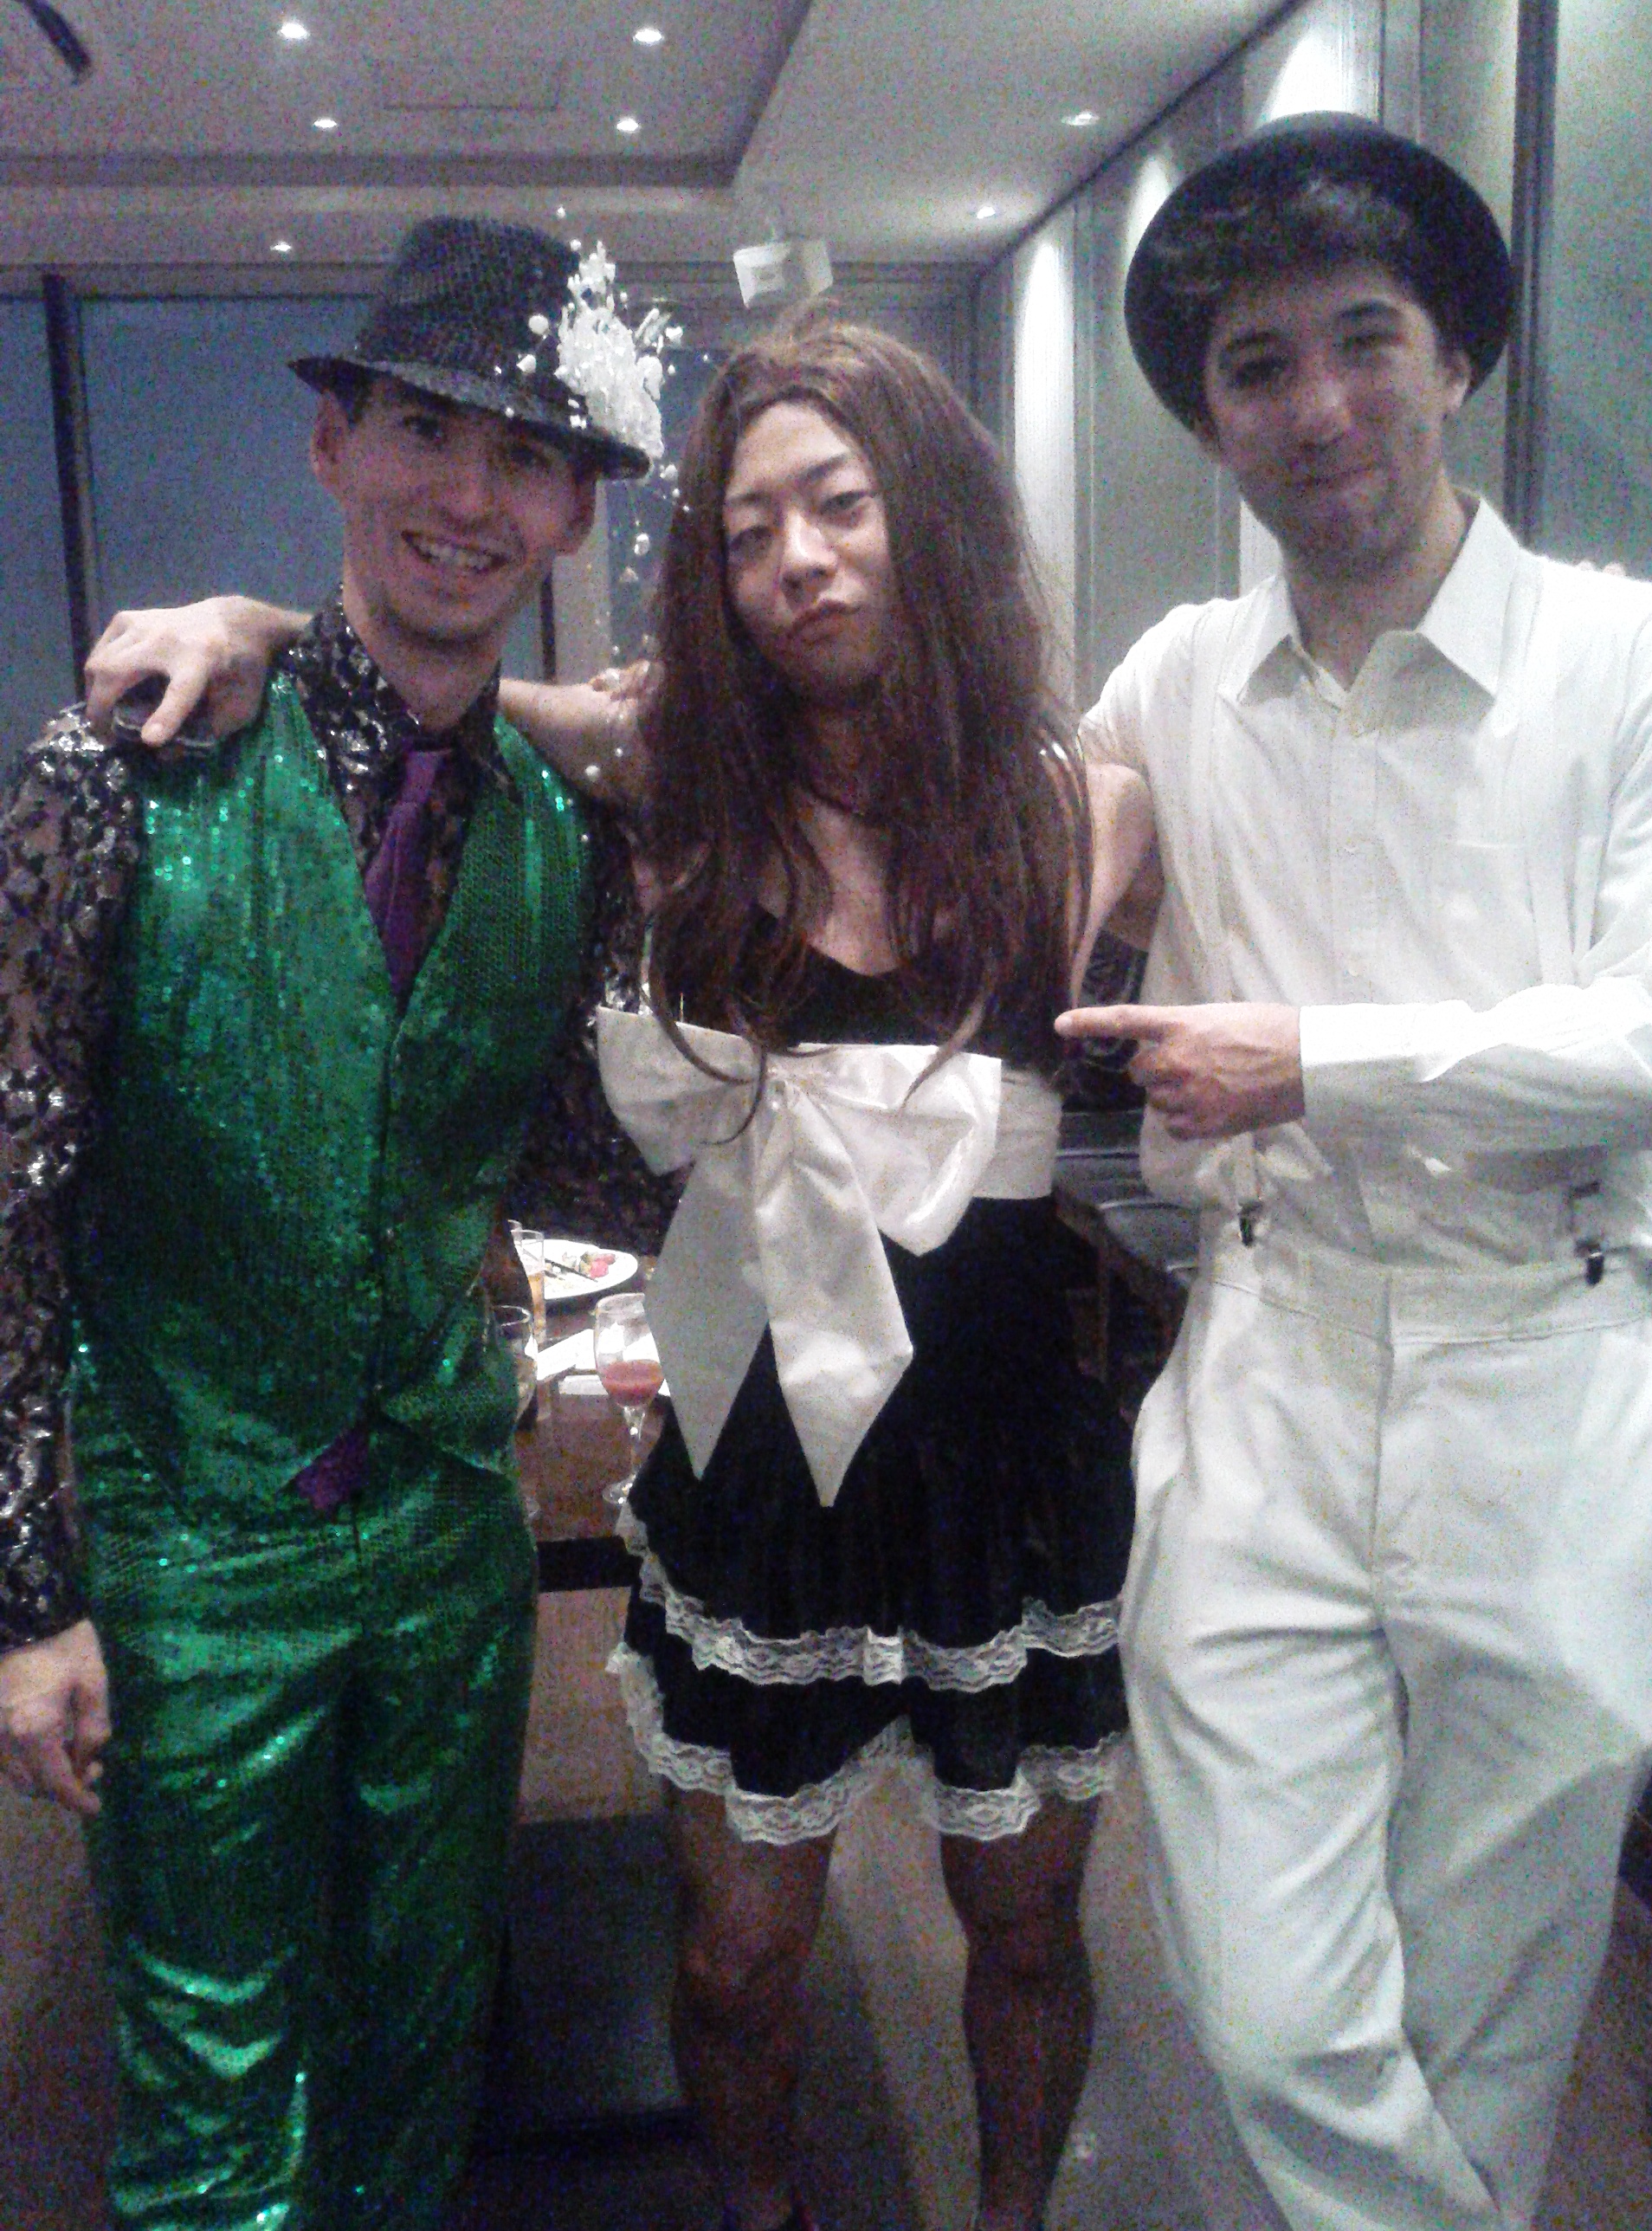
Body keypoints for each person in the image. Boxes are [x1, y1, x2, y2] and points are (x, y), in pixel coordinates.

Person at [114, 312, 1157, 2231]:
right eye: (749, 532)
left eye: (838, 506)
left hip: (1005, 1470)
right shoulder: (677, 781)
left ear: (927, 512)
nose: (797, 561)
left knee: (1026, 1926)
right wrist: (250, 624)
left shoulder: (1078, 803)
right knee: (739, 1954)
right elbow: (433, 684)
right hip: (759, 1465)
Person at [0, 214, 664, 2231]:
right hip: (191, 1533)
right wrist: (28, 1594)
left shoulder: (565, 838)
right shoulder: (119, 770)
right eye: (423, 432)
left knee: (420, 2028)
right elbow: (11, 1191)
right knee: (212, 2077)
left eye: (524, 457)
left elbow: (585, 1170)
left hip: (451, 1532)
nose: (467, 494)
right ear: (333, 447)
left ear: (572, 511)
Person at [1060, 113, 1652, 2231]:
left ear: (1457, 356)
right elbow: (973, 798)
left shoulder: (1633, 659)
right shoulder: (1175, 679)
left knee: (1489, 2011)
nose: (1319, 405)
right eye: (1257, 365)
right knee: (1272, 2008)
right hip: (1272, 1369)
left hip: (1550, 1373)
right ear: (1207, 416)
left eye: (1364, 338)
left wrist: (1311, 1061)